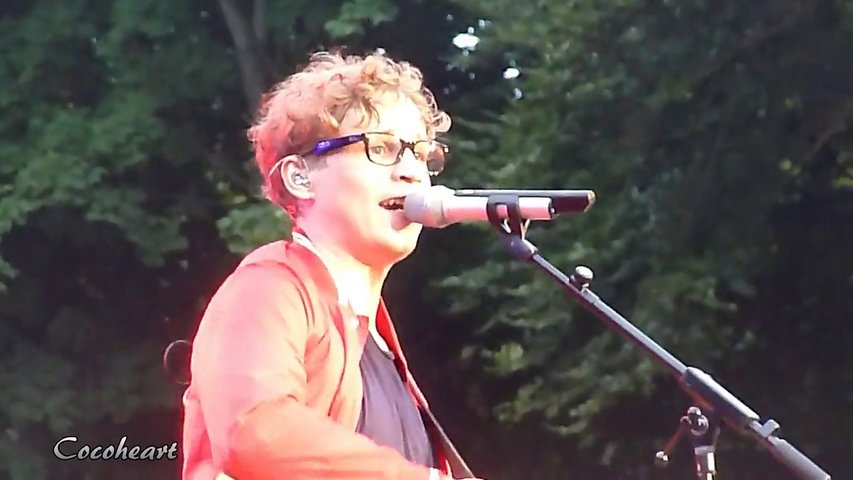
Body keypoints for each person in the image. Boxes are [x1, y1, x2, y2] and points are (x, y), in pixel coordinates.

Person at [180, 50, 481, 480]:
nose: (413, 172)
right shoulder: (270, 287)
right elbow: (254, 430)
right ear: (299, 177)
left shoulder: (378, 341)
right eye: (381, 147)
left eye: (420, 153)